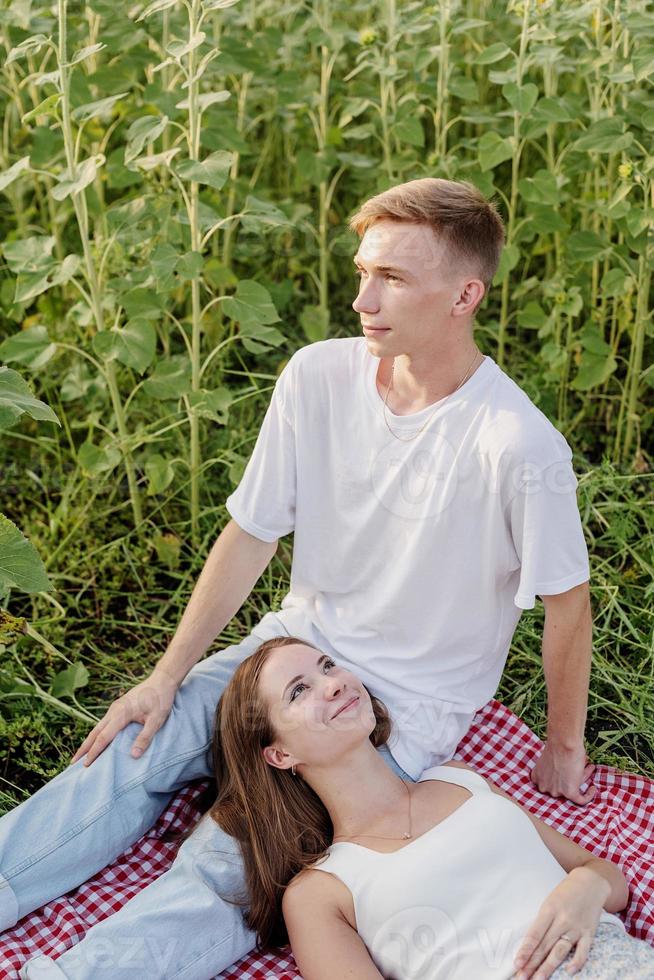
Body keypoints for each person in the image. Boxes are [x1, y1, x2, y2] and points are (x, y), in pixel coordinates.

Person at [2, 178, 598, 978]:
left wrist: (564, 747)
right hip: (289, 653)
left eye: (392, 278)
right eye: (362, 271)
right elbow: (250, 534)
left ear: (465, 293)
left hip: (392, 712)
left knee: (230, 862)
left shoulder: (517, 445)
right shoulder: (317, 376)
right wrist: (165, 677)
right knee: (129, 750)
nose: (362, 298)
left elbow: (569, 606)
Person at [211, 635, 653, 980]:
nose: (333, 683)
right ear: (280, 754)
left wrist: (585, 888)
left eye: (327, 665)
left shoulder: (461, 778)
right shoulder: (318, 893)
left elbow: (603, 874)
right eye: (298, 691)